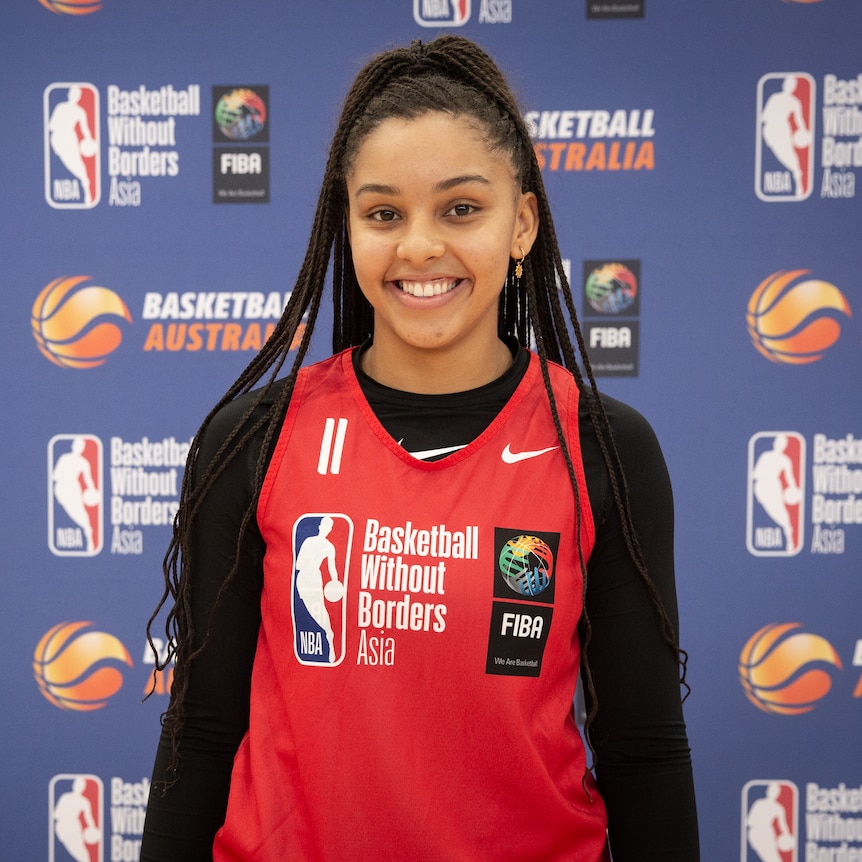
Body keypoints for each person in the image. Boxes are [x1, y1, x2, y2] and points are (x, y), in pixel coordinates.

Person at [141, 35, 699, 861]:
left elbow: (642, 752)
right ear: (349, 226)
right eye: (384, 213)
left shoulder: (603, 448)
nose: (418, 247)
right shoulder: (254, 440)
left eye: (461, 208)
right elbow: (203, 733)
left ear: (523, 224)